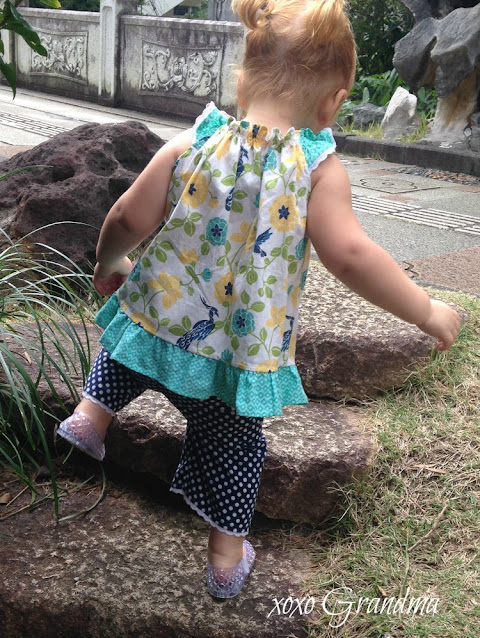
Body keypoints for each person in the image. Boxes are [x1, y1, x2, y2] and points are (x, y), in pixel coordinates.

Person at [56, 0, 460, 599]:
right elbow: (351, 255)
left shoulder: (199, 137)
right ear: (333, 103)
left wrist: (110, 260)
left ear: (241, 80)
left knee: (127, 343)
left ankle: (92, 416)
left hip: (161, 318)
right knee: (235, 443)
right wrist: (426, 310)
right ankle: (225, 556)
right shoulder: (317, 169)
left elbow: (126, 216)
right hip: (235, 354)